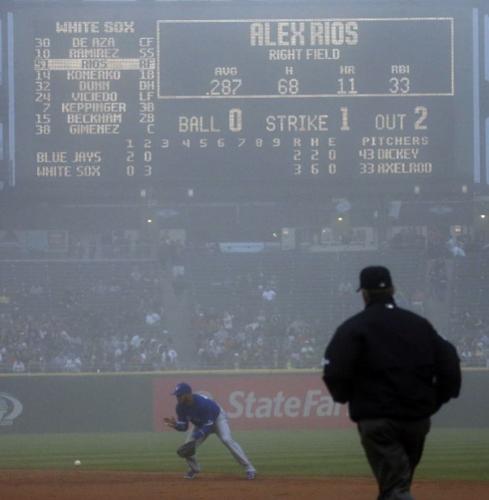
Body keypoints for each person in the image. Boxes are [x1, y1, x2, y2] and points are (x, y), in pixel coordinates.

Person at [322, 266, 461, 500]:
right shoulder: (419, 324)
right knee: (397, 483)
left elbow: (335, 371)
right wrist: (437, 400)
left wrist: (347, 397)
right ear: (393, 289)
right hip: (417, 419)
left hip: (376, 420)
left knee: (395, 488)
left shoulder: (354, 327)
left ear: (363, 293)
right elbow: (450, 362)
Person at [164, 382, 256, 480]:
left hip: (217, 419)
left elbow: (209, 424)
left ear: (187, 394)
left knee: (227, 439)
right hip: (202, 424)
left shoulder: (202, 404)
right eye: (177, 395)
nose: (177, 397)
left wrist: (198, 434)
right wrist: (176, 425)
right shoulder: (180, 407)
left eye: (179, 395)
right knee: (187, 447)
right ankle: (194, 469)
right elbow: (184, 427)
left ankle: (249, 468)